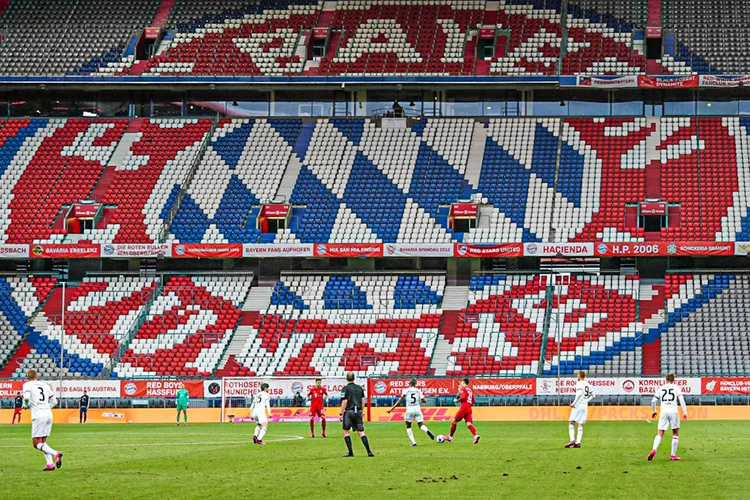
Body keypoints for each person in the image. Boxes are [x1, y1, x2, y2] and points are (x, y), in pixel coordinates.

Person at [22, 370, 63, 471]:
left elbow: (26, 397)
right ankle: (50, 464)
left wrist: (25, 405)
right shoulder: (45, 385)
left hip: (38, 415)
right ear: (37, 376)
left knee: (36, 443)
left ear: (28, 377)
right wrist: (46, 408)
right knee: (43, 442)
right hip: (48, 414)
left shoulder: (27, 385)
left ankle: (55, 453)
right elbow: (54, 401)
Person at [648, 372, 688, 461]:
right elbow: (681, 399)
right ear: (674, 380)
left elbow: (653, 401)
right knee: (675, 433)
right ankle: (673, 455)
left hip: (664, 411)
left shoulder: (661, 388)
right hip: (674, 411)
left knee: (660, 433)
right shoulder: (676, 388)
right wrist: (685, 412)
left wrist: (654, 411)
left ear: (665, 380)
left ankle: (654, 449)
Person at [387, 378, 434, 446]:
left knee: (408, 426)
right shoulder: (418, 391)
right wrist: (421, 401)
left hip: (409, 409)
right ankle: (427, 430)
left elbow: (399, 401)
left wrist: (391, 409)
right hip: (417, 409)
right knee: (421, 425)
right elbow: (424, 400)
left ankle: (413, 442)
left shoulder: (406, 390)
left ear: (409, 384)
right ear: (415, 384)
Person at [339, 371, 374, 457]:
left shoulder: (345, 388)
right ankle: (369, 451)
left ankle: (350, 452)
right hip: (358, 411)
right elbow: (363, 401)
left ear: (346, 379)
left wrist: (341, 413)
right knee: (361, 432)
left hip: (349, 412)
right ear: (354, 378)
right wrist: (361, 411)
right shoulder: (359, 388)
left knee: (346, 432)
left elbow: (345, 401)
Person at [444, 378, 480, 444]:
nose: (461, 384)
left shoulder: (462, 388)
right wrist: (468, 404)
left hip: (463, 408)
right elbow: (474, 401)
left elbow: (463, 397)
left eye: (461, 383)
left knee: (454, 421)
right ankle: (476, 435)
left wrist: (456, 401)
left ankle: (450, 437)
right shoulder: (470, 390)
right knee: (469, 424)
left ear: (463, 382)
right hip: (469, 408)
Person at [565, 370, 595, 448]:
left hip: (578, 405)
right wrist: (586, 401)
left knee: (571, 422)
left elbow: (579, 394)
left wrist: (573, 403)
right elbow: (593, 396)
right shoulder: (588, 384)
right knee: (580, 424)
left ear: (579, 376)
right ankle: (578, 443)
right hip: (585, 406)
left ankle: (572, 440)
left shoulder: (579, 383)